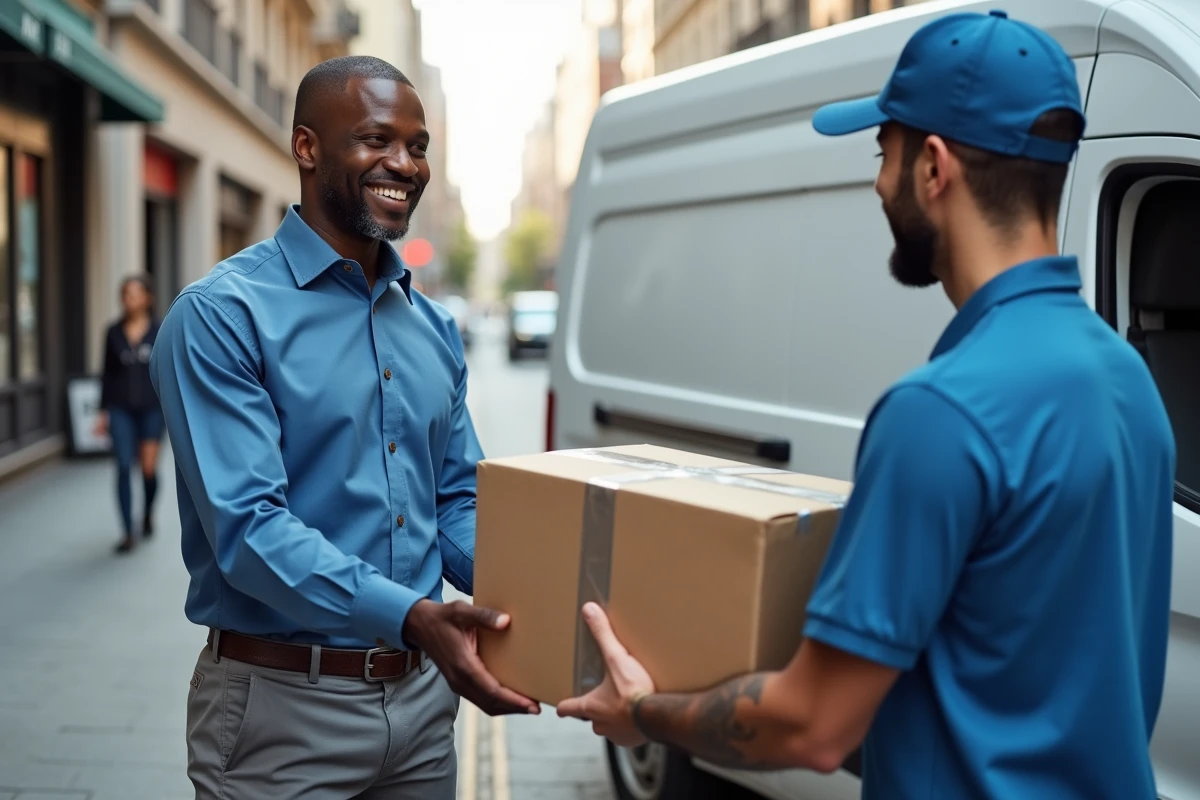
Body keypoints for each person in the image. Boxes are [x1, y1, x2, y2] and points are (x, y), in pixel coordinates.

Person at [557, 10, 1176, 800]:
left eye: (883, 153)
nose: (877, 183)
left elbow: (813, 725)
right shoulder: (1128, 382)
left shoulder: (942, 413)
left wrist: (644, 710)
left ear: (933, 168)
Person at [149, 56, 537, 799]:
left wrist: (540, 590)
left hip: (425, 713)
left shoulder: (433, 328)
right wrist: (415, 618)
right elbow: (251, 532)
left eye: (418, 146)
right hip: (282, 717)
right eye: (375, 139)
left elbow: (454, 499)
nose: (405, 164)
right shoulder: (221, 317)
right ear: (306, 148)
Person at [96, 274, 163, 554]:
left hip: (151, 409)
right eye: (125, 294)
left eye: (135, 294)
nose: (130, 300)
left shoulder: (159, 330)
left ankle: (147, 513)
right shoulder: (112, 332)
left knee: (148, 469)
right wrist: (102, 412)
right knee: (124, 465)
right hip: (120, 409)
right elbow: (107, 374)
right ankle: (127, 532)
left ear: (147, 298)